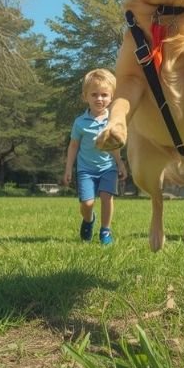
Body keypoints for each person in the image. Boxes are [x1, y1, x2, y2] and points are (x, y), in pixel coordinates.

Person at [63, 69, 127, 245]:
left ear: (112, 97)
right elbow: (73, 146)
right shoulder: (80, 122)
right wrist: (68, 168)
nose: (99, 99)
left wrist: (120, 164)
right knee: (87, 203)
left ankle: (105, 231)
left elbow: (114, 147)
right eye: (94, 94)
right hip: (86, 170)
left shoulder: (112, 121)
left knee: (107, 198)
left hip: (108, 168)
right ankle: (89, 220)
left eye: (104, 95)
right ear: (85, 97)